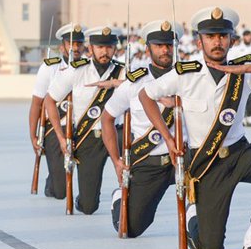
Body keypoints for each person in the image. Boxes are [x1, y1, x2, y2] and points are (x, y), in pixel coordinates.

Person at [139, 7, 251, 249]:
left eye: (223, 36)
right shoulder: (184, 73)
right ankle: (193, 217)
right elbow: (146, 95)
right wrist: (167, 138)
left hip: (239, 153)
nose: (217, 42)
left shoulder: (243, 72)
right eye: (210, 37)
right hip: (207, 164)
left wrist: (245, 70)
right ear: (199, 40)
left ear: (232, 40)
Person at [98, 20, 183, 237]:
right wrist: (116, 160)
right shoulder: (134, 83)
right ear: (148, 49)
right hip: (148, 161)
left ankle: (195, 230)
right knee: (130, 228)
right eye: (158, 45)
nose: (165, 50)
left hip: (184, 157)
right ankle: (119, 198)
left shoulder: (190, 79)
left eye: (169, 45)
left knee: (201, 190)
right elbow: (107, 118)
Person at [44, 25, 123, 214]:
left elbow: (145, 87)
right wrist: (61, 138)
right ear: (91, 48)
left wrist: (113, 83)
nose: (105, 51)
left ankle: (122, 199)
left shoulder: (124, 71)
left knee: (134, 175)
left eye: (109, 47)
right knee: (89, 206)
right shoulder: (77, 70)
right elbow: (49, 100)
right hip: (90, 138)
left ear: (115, 48)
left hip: (118, 135)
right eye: (100, 47)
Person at [29, 24, 85, 199]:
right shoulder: (50, 68)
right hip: (56, 128)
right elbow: (37, 103)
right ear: (62, 47)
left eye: (78, 43)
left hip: (81, 127)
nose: (75, 48)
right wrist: (33, 135)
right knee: (60, 193)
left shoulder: (88, 68)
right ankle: (52, 181)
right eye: (70, 43)